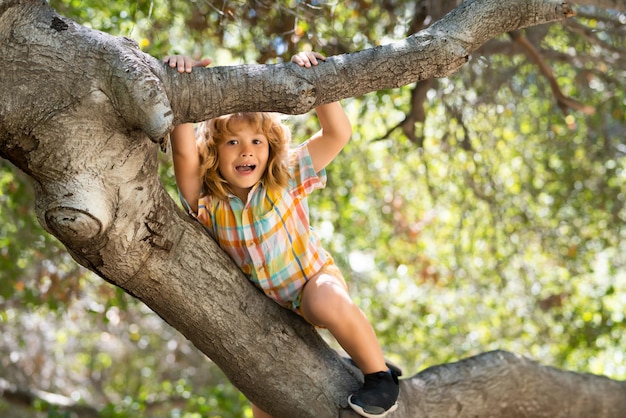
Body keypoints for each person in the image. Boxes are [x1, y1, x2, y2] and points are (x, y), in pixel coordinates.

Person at [164, 50, 400, 418]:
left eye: (257, 141)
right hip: (270, 311)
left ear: (271, 148)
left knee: (326, 303)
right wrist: (182, 86)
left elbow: (338, 133)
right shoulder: (207, 201)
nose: (246, 151)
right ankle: (352, 359)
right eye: (232, 142)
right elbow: (182, 153)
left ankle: (380, 376)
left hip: (311, 282)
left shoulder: (285, 177)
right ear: (212, 151)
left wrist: (317, 79)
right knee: (267, 397)